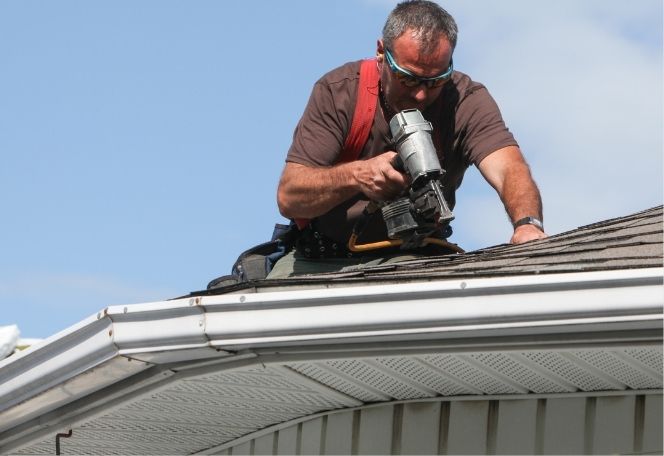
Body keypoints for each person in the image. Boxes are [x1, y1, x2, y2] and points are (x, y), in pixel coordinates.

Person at [269, 0, 546, 279]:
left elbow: (508, 168)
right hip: (322, 257)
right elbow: (289, 197)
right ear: (381, 53)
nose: (421, 95)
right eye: (408, 79)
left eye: (436, 81)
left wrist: (527, 224)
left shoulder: (465, 100)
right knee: (267, 303)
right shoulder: (339, 92)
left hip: (415, 255)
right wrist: (357, 176)